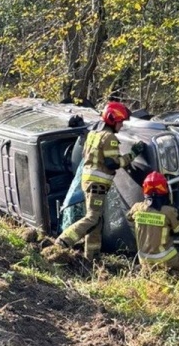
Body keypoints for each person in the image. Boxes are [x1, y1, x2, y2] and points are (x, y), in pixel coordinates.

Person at [47, 101, 145, 261]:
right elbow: (112, 163)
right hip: (97, 185)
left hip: (88, 182)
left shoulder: (92, 135)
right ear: (113, 120)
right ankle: (62, 242)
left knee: (97, 222)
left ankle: (92, 257)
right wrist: (132, 155)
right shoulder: (110, 138)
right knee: (92, 218)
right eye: (120, 122)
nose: (121, 126)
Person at [126, 171, 179, 279]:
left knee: (148, 269)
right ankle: (175, 276)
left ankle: (149, 272)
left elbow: (129, 217)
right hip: (166, 258)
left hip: (143, 258)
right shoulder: (168, 211)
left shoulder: (137, 207)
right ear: (165, 190)